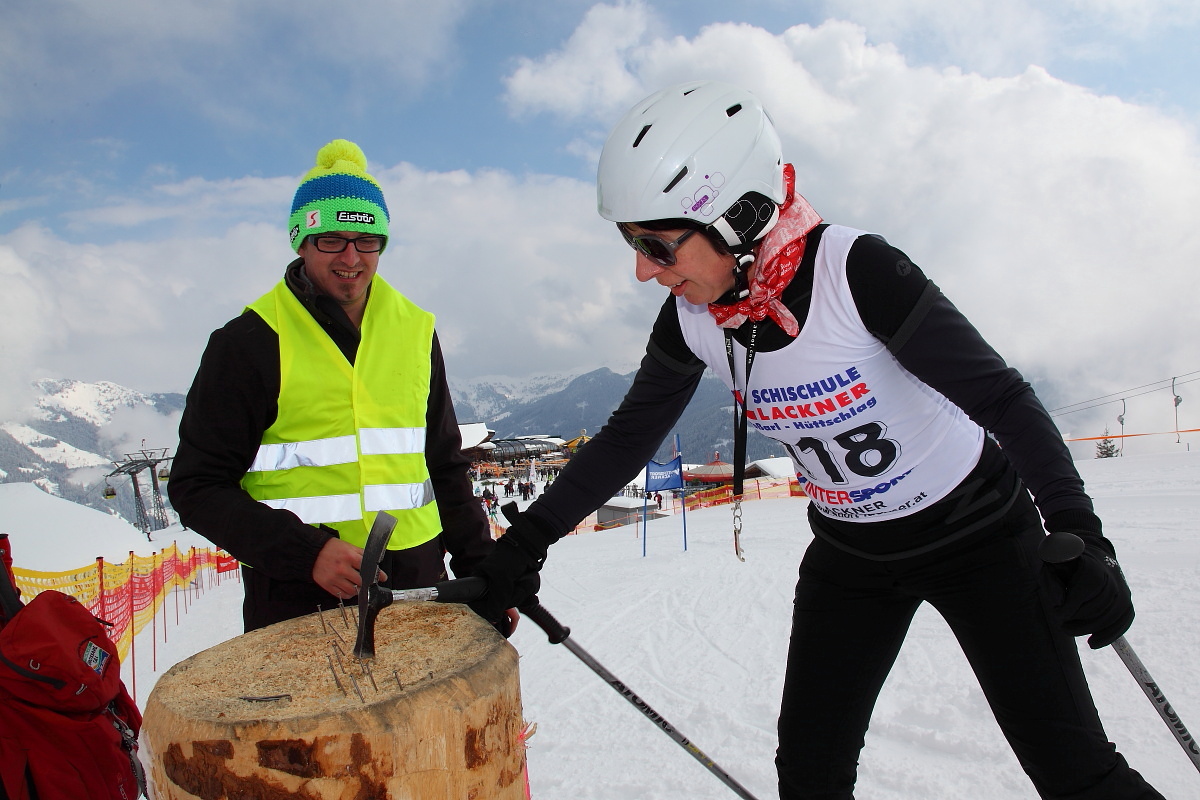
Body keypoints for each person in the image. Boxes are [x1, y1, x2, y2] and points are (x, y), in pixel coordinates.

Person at [468, 82, 1163, 798]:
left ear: (737, 219)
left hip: (979, 535)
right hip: (854, 556)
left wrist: (1083, 534)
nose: (642, 269)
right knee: (808, 777)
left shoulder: (855, 273)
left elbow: (1003, 399)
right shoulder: (693, 316)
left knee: (1074, 773)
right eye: (629, 241)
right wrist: (521, 545)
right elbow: (625, 439)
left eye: (655, 243)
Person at [170, 139, 497, 633]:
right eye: (332, 240)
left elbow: (444, 464)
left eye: (367, 240)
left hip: (418, 586)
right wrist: (306, 553)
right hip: (299, 598)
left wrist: (481, 571)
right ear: (301, 241)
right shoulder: (249, 342)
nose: (352, 257)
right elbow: (197, 486)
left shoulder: (415, 329)